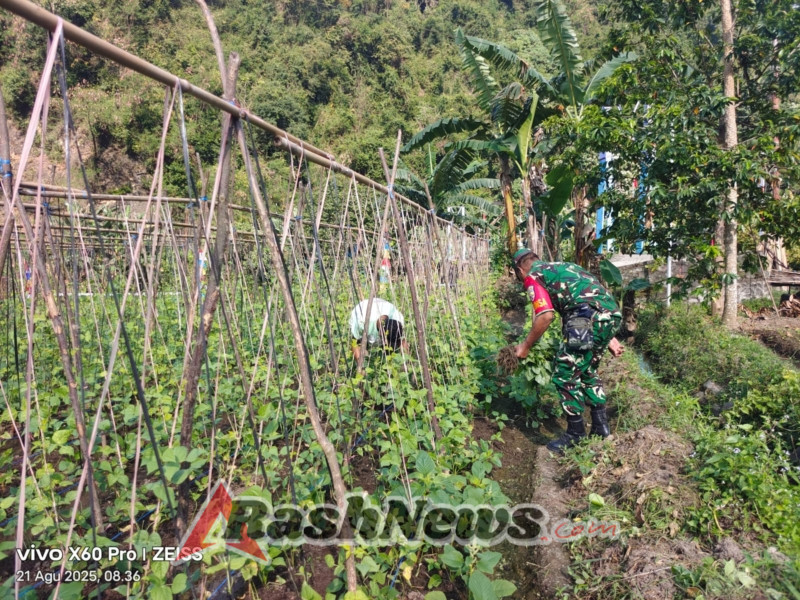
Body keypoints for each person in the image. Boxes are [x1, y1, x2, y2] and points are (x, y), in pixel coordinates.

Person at [512, 248, 625, 453]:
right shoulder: (565, 266)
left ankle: (575, 434)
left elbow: (545, 315)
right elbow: (591, 297)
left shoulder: (532, 277)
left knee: (565, 374)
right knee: (588, 370)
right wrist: (609, 335)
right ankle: (601, 428)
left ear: (520, 270)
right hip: (610, 316)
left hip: (585, 319)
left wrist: (525, 346)